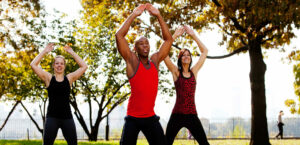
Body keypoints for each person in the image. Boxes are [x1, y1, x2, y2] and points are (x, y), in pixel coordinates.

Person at [115, 3, 173, 145]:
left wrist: (158, 15)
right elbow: (119, 36)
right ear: (135, 48)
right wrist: (134, 15)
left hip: (150, 117)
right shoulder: (133, 61)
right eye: (141, 44)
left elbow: (168, 40)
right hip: (133, 118)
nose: (145, 46)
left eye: (147, 43)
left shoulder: (155, 60)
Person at [30, 43, 88, 145]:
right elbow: (33, 65)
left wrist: (71, 52)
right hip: (52, 117)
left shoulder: (69, 78)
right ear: (53, 66)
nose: (59, 65)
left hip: (67, 118)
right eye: (57, 63)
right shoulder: (48, 78)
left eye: (61, 63)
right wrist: (45, 51)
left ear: (64, 66)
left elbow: (84, 66)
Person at [164, 26, 210, 145]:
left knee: (204, 143)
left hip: (192, 115)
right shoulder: (176, 72)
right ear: (180, 58)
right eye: (183, 55)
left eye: (188, 55)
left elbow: (205, 51)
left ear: (190, 59)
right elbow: (163, 54)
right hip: (177, 115)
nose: (186, 56)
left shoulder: (194, 72)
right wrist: (174, 36)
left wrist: (193, 35)